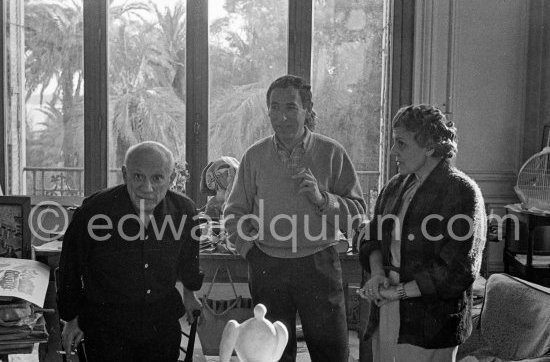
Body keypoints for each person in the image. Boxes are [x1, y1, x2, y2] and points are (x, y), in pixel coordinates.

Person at [224, 74, 366, 362]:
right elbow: (233, 214)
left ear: (307, 110)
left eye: (290, 107)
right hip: (267, 265)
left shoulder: (332, 153)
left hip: (320, 264)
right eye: (274, 107)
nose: (281, 116)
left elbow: (357, 215)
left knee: (332, 353)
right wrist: (250, 251)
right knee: (272, 354)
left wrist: (323, 200)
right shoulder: (254, 156)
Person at [358, 104, 486, 362]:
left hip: (431, 321)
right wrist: (378, 274)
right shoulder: (395, 186)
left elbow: (458, 270)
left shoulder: (461, 192)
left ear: (429, 146)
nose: (393, 151)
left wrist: (400, 292)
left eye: (401, 143)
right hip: (387, 305)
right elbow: (372, 237)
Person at [57, 141, 203, 362]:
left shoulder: (184, 211)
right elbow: (70, 267)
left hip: (159, 323)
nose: (147, 188)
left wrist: (190, 294)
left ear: (172, 179)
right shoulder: (93, 212)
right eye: (138, 177)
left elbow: (188, 260)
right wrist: (71, 319)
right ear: (125, 174)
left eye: (157, 178)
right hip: (107, 325)